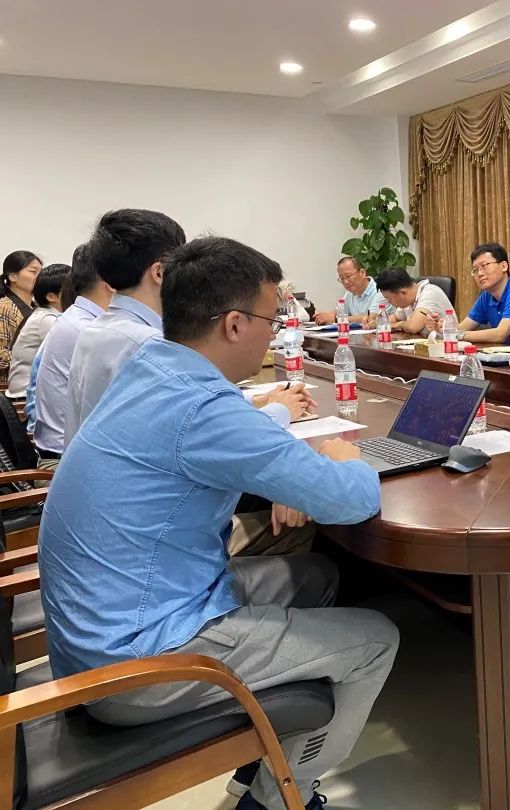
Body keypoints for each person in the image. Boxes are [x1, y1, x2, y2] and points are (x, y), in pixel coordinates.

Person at [38, 235, 399, 810]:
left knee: (317, 576)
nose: (275, 332)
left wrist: (289, 464)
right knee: (378, 639)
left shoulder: (151, 369)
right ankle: (280, 799)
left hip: (109, 624)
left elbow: (222, 441)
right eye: (272, 319)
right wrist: (346, 457)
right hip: (135, 662)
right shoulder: (203, 407)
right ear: (234, 324)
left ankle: (266, 748)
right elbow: (349, 500)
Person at [66, 209, 313, 445]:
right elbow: (215, 437)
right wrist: (279, 410)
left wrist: (257, 401)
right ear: (160, 273)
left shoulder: (95, 331)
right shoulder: (150, 347)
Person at [33, 244, 113, 468]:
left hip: (64, 452)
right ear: (111, 281)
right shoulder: (87, 330)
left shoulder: (77, 319)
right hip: (64, 462)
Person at [6, 262, 69, 399]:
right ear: (51, 296)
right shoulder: (47, 320)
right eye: (72, 290)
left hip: (33, 394)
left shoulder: (45, 314)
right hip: (27, 397)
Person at [448, 242, 510, 344]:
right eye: (475, 270)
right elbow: (461, 328)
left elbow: (500, 334)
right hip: (502, 352)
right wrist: (441, 329)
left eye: (484, 266)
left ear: (504, 266)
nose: (479, 273)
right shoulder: (486, 296)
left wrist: (459, 335)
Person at [0, 250, 42, 386]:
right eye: (33, 271)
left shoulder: (38, 308)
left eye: (41, 272)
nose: (40, 277)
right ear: (12, 276)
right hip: (8, 388)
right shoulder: (3, 307)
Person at [376, 267, 456, 335]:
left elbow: (413, 327)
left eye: (389, 299)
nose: (389, 302)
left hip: (446, 344)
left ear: (403, 293)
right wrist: (376, 323)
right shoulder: (408, 301)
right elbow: (392, 319)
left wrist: (399, 324)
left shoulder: (429, 293)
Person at [312, 257, 387, 325]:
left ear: (362, 273)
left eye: (348, 276)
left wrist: (336, 319)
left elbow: (371, 318)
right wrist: (325, 316)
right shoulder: (350, 293)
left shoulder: (380, 291)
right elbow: (338, 312)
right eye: (342, 278)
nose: (346, 282)